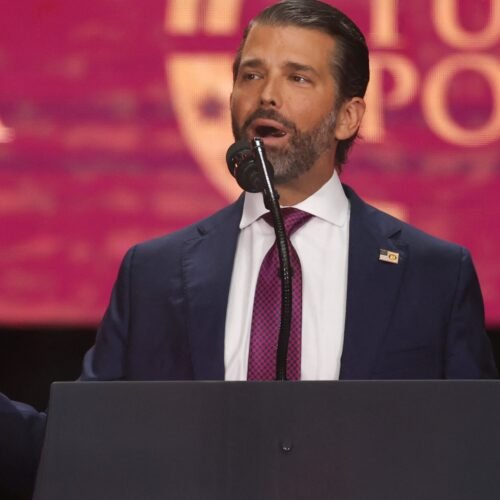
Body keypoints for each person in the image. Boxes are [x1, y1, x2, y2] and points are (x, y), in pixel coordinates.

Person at [1, 0, 496, 496]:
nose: (267, 96)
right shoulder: (153, 273)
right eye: (252, 75)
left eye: (298, 78)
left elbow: (474, 458)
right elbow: (77, 450)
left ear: (348, 117)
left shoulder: (434, 275)